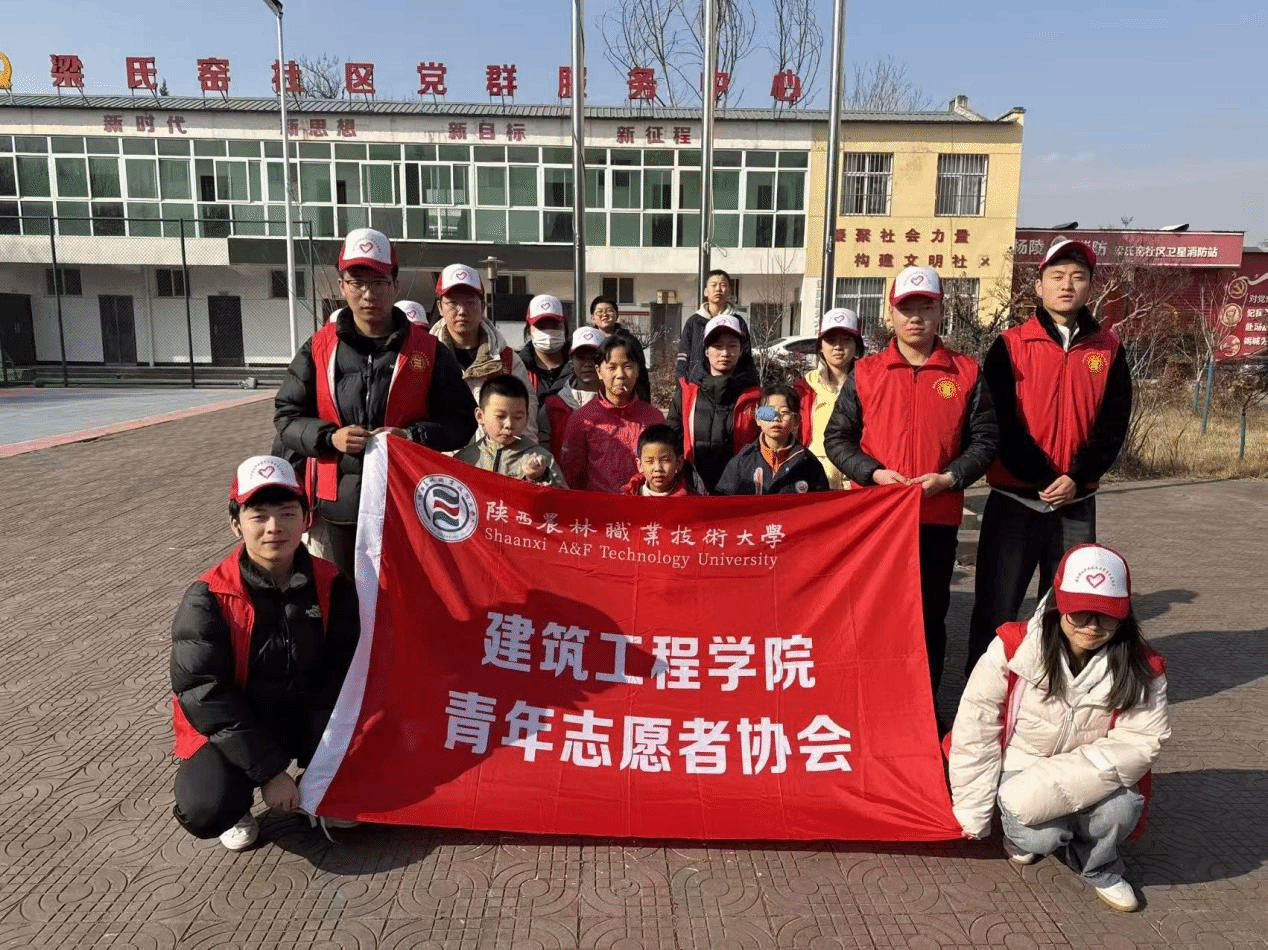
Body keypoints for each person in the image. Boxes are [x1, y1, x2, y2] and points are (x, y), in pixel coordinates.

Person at [948, 543, 1169, 913]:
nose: (1092, 626)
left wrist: (1045, 788)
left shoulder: (1143, 666)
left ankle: (1100, 866)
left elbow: (1142, 741)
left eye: (1107, 616)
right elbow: (977, 725)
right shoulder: (1013, 647)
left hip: (1091, 766)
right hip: (1023, 761)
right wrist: (975, 813)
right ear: (1058, 604)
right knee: (1037, 836)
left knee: (1121, 809)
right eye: (1079, 612)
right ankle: (1050, 833)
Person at [170, 456, 361, 852]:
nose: (275, 527)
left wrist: (323, 767)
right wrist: (271, 772)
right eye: (258, 516)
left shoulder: (333, 584)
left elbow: (343, 672)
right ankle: (238, 805)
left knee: (379, 775)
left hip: (304, 715)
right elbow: (205, 694)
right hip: (238, 723)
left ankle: (317, 786)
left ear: (306, 519)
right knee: (206, 807)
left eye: (287, 513)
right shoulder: (208, 597)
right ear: (235, 524)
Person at [824, 266, 997, 693]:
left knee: (929, 618)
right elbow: (837, 438)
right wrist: (873, 473)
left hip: (935, 519)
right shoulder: (867, 372)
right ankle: (870, 703)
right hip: (876, 520)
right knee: (871, 616)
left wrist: (950, 477)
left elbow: (985, 441)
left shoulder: (965, 372)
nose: (916, 317)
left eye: (926, 307)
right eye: (906, 308)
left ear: (940, 312)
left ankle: (923, 709)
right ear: (892, 313)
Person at [966, 237, 1132, 676]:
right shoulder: (1010, 345)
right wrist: (1042, 476)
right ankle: (980, 696)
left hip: (1076, 502)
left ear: (1090, 286)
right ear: (1038, 286)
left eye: (1078, 277)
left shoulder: (1109, 349)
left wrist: (1077, 476)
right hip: (1015, 500)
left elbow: (1113, 424)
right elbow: (999, 421)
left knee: (1068, 608)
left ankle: (1055, 691)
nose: (1066, 285)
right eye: (1056, 277)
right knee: (997, 605)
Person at [274, 229, 477, 575]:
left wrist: (411, 437)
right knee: (344, 599)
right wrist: (330, 438)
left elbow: (462, 420)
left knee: (404, 596)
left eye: (379, 282)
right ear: (342, 286)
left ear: (395, 286)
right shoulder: (319, 348)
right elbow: (287, 417)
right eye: (357, 282)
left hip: (408, 502)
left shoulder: (428, 351)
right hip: (339, 506)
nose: (368, 294)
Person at [429, 262, 538, 440]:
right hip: (440, 457)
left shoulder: (507, 361)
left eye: (470, 302)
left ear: (483, 306)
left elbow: (526, 428)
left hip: (494, 457)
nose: (462, 311)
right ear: (440, 307)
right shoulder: (425, 359)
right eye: (453, 303)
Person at [667, 314, 762, 494]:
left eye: (732, 346)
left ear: (741, 350)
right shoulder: (686, 395)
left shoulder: (757, 398)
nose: (725, 353)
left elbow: (772, 438)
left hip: (742, 492)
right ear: (706, 350)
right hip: (693, 491)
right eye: (718, 346)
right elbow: (671, 443)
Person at [559, 334, 665, 493]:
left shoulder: (654, 418)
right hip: (599, 506)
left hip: (643, 505)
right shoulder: (582, 420)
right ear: (599, 371)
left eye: (628, 366)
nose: (620, 374)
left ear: (637, 370)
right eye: (612, 367)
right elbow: (571, 477)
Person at [454, 374, 567, 487]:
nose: (509, 425)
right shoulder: (465, 459)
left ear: (527, 418)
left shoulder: (540, 459)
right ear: (480, 416)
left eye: (518, 418)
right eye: (500, 416)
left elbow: (561, 496)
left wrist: (539, 478)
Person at [795, 308, 864, 490]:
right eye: (831, 340)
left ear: (857, 345)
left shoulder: (870, 385)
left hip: (856, 482)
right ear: (820, 346)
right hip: (815, 481)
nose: (838, 347)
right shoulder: (804, 389)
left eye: (846, 340)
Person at [716, 384, 829, 496]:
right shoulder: (741, 462)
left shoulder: (809, 464)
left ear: (796, 421)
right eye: (768, 412)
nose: (776, 419)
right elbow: (724, 502)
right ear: (758, 419)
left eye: (784, 412)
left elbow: (821, 504)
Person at [539, 326, 604, 459]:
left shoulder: (617, 405)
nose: (587, 363)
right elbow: (543, 454)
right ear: (571, 360)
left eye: (594, 357)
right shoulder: (552, 406)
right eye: (580, 357)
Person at [675, 269, 751, 381]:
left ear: (729, 291)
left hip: (731, 384)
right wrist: (681, 382)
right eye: (713, 285)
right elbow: (683, 356)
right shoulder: (694, 322)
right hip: (698, 383)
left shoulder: (737, 322)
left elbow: (747, 356)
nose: (718, 289)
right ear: (706, 291)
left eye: (723, 285)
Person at [589, 295, 651, 402]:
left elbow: (641, 376)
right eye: (599, 312)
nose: (604, 315)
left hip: (623, 397)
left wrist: (644, 402)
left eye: (609, 311)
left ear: (616, 315)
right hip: (592, 397)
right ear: (593, 318)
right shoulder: (586, 342)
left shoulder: (629, 342)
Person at [622, 423, 702, 496]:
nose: (658, 468)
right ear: (640, 465)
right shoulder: (628, 498)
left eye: (665, 460)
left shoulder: (692, 500)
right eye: (650, 461)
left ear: (679, 463)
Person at [519, 294, 571, 400]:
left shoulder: (579, 367)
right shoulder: (518, 368)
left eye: (555, 326)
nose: (548, 333)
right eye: (540, 327)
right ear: (529, 331)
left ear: (565, 328)